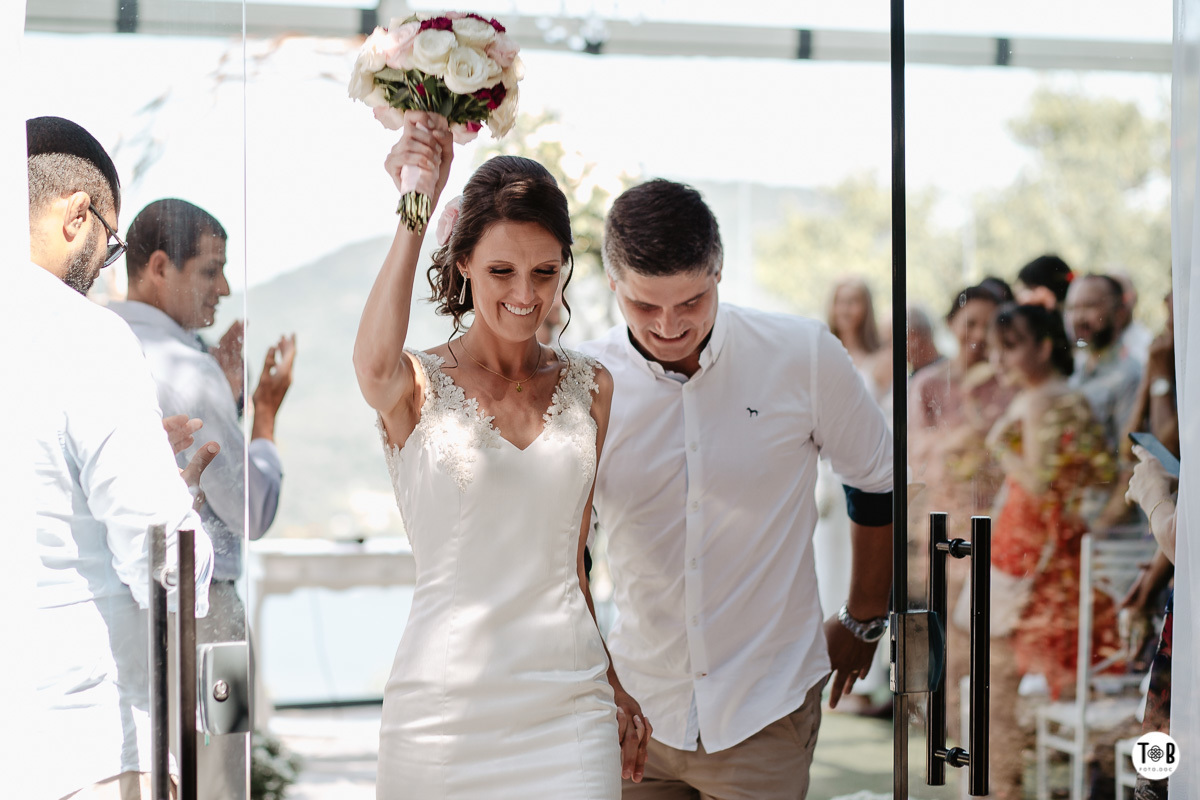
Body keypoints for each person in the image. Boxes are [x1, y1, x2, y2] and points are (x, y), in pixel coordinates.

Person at [353, 112, 648, 799]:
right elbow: (371, 366)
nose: (525, 294)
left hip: (569, 711)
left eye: (545, 271)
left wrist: (611, 683)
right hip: (443, 718)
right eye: (501, 270)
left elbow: (573, 565)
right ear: (462, 264)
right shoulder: (416, 386)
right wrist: (416, 204)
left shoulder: (592, 387)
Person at [580, 179, 894, 799]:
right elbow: (567, 548)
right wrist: (598, 680)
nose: (669, 325)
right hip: (637, 706)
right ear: (614, 285)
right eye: (645, 307)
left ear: (718, 271)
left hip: (766, 704)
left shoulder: (802, 354)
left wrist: (863, 618)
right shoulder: (586, 382)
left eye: (691, 301)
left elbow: (875, 481)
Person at [18, 116, 216, 799]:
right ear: (79, 214)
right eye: (109, 250)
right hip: (84, 737)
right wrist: (174, 487)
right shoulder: (80, 334)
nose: (103, 271)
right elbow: (164, 552)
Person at [109, 197, 296, 798]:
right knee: (222, 777)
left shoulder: (100, 342)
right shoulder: (189, 372)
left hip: (125, 614)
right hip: (206, 610)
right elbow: (250, 511)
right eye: (211, 270)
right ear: (160, 266)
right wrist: (262, 418)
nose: (225, 288)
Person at [985, 304, 1119, 800]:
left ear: (1044, 346)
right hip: (1056, 545)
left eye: (1011, 346)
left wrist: (1002, 448)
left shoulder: (1041, 401)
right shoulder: (1070, 398)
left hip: (1030, 549)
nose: (999, 360)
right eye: (997, 349)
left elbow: (1040, 483)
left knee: (999, 680)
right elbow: (1101, 474)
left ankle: (1002, 787)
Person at [908, 285, 1013, 736]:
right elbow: (916, 453)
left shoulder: (1009, 384)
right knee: (943, 627)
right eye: (970, 323)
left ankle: (985, 728)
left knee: (986, 632)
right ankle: (946, 727)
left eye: (989, 325)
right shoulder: (930, 382)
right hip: (943, 522)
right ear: (952, 324)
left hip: (1000, 524)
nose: (978, 334)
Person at [1064, 273, 1144, 528]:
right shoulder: (1076, 372)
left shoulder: (1129, 376)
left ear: (1119, 313)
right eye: (1072, 308)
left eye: (1089, 306)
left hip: (1111, 538)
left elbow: (1131, 467)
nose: (1078, 317)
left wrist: (1097, 530)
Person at [905, 304, 942, 375]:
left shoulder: (944, 374)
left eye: (890, 341)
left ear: (914, 337)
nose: (891, 349)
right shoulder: (914, 374)